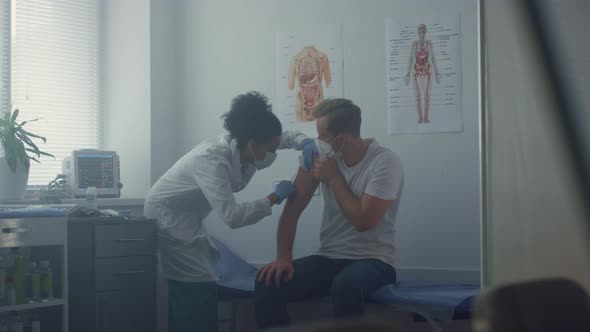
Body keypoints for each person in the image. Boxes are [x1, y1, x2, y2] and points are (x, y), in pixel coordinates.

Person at [144, 91, 316, 332]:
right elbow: (232, 217)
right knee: (195, 284)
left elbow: (283, 138)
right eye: (270, 149)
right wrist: (275, 197)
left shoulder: (251, 143)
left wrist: (305, 141)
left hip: (191, 216)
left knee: (202, 279)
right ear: (253, 144)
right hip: (169, 218)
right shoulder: (211, 160)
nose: (273, 155)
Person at [255, 98, 404, 328]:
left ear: (340, 139)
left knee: (346, 286)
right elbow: (291, 213)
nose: (317, 142)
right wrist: (284, 258)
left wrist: (334, 178)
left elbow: (363, 221)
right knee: (268, 282)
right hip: (329, 257)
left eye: (322, 136)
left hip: (375, 261)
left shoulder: (385, 162)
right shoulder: (319, 157)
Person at [403, 24, 442, 124]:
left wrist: (437, 72)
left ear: (425, 32)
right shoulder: (414, 44)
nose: (421, 33)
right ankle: (420, 118)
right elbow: (411, 58)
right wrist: (407, 73)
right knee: (418, 96)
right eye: (420, 31)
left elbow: (433, 57)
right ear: (418, 32)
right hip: (416, 70)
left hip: (427, 69)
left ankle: (426, 118)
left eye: (423, 31)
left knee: (427, 96)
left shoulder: (429, 43)